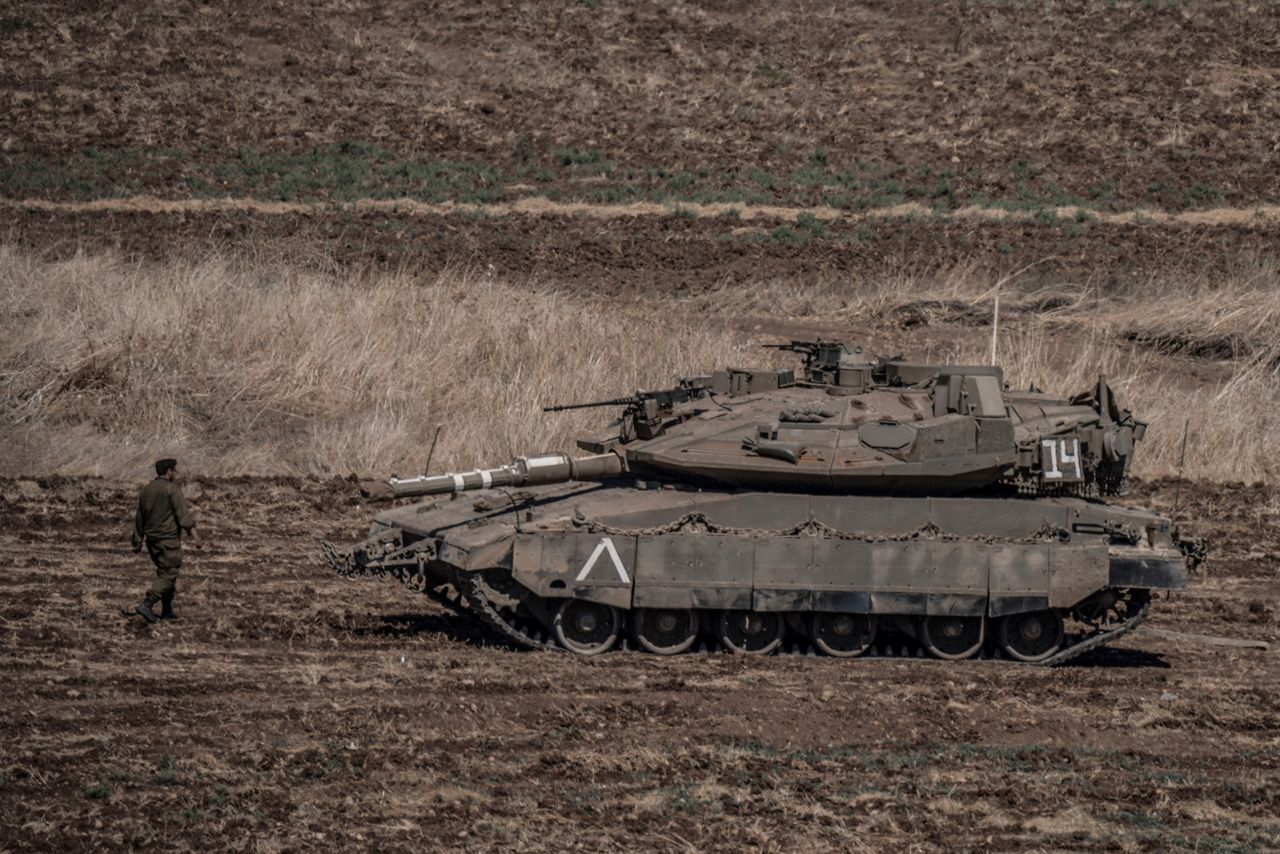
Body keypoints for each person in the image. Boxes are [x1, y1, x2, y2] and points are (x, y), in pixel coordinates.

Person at [127, 458, 201, 623]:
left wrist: (137, 541)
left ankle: (167, 610)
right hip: (168, 541)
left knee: (164, 573)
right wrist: (196, 536)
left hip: (152, 541)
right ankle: (147, 604)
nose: (176, 473)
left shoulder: (146, 490)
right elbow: (183, 516)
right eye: (174, 470)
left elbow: (139, 517)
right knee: (169, 573)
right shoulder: (171, 489)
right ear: (168, 471)